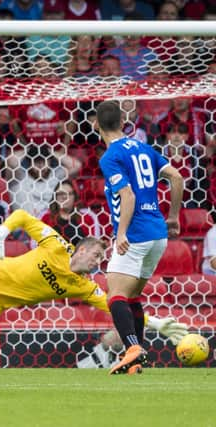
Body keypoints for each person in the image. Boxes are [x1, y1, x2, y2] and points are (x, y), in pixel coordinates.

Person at [0, 209, 188, 366]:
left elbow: (117, 307)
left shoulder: (82, 286)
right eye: (98, 255)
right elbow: (23, 216)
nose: (99, 262)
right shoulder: (56, 245)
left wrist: (157, 322)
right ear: (82, 250)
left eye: (103, 259)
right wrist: (1, 233)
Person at [96, 100, 184, 375]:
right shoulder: (145, 149)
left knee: (116, 295)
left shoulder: (110, 157)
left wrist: (121, 232)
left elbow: (128, 195)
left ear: (96, 125)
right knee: (133, 296)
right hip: (158, 233)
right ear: (123, 122)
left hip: (135, 233)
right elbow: (177, 177)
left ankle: (132, 348)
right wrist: (173, 216)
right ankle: (136, 360)